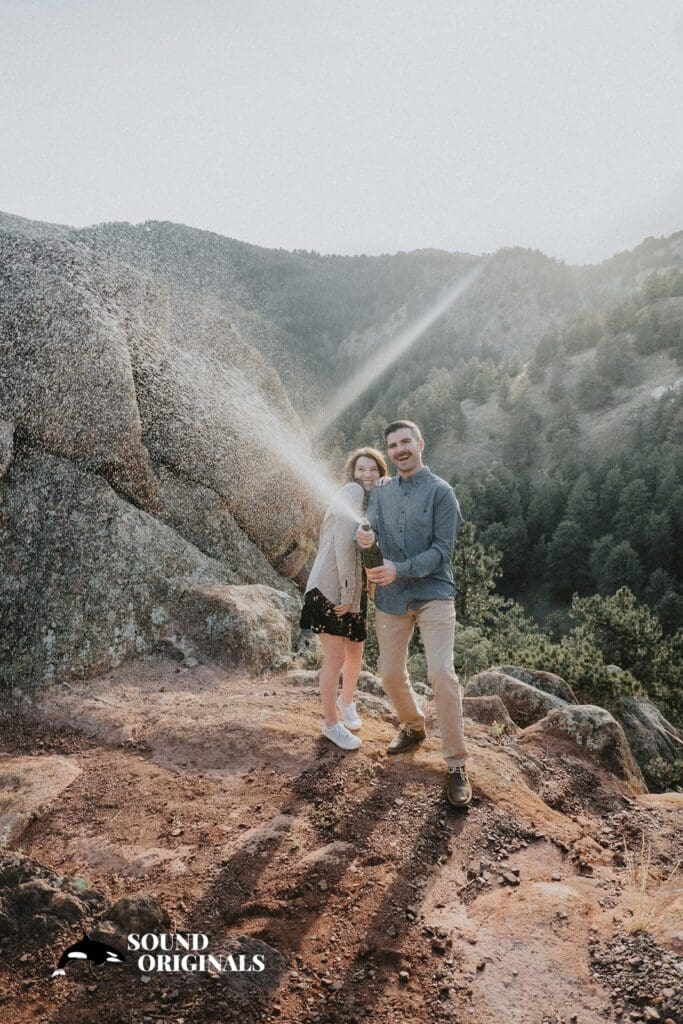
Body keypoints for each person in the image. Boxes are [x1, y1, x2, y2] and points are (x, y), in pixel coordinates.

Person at [356, 420, 471, 807]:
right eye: (393, 445)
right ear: (389, 452)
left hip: (433, 592)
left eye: (406, 441)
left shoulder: (441, 492)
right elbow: (372, 534)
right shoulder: (381, 491)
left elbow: (442, 552)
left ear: (420, 443)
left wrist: (399, 568)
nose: (400, 449)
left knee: (441, 673)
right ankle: (413, 725)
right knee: (389, 674)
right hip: (391, 596)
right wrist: (365, 540)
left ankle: (456, 765)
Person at [301, 447, 388, 750]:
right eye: (361, 469)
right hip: (331, 589)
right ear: (352, 473)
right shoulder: (351, 492)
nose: (367, 475)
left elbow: (370, 552)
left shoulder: (372, 504)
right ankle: (331, 725)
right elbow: (341, 546)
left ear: (381, 473)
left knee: (355, 650)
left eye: (373, 469)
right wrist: (349, 593)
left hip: (352, 590)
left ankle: (346, 702)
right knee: (336, 658)